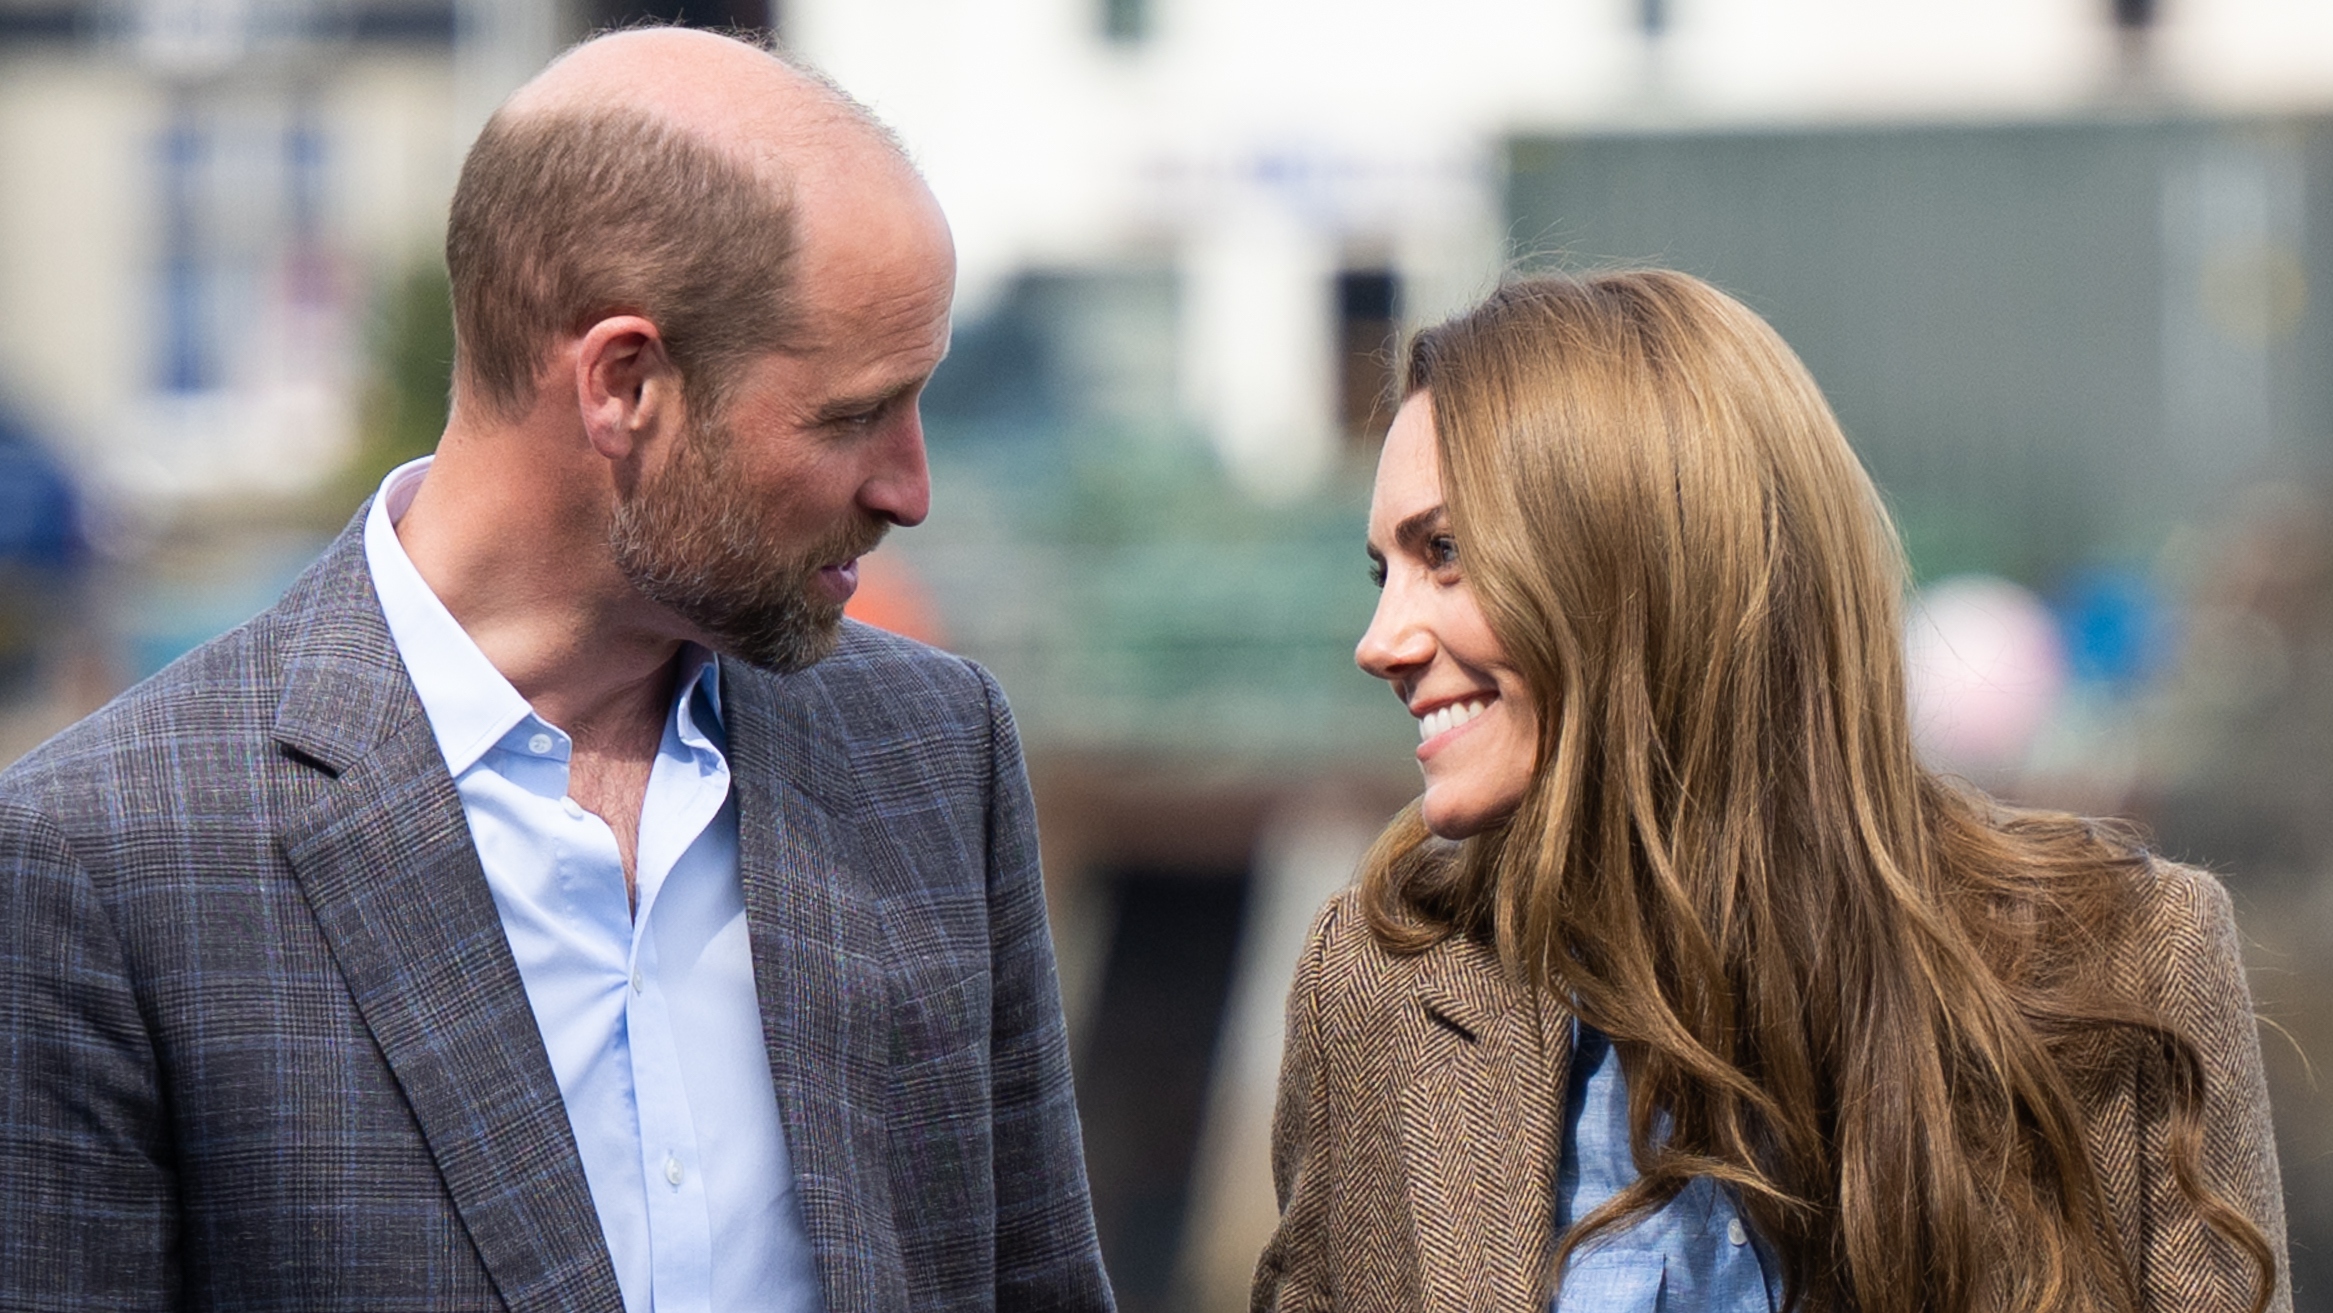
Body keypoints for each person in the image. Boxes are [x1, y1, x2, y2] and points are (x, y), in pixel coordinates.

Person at [0, 28, 1112, 1313]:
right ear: (623, 384)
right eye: (850, 414)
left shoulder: (931, 749)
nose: (908, 488)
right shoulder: (108, 853)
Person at [1254, 271, 2288, 1313]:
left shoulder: (2123, 959)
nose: (1379, 642)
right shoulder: (1379, 988)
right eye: (1381, 571)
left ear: (1646, 558)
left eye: (1444, 552)